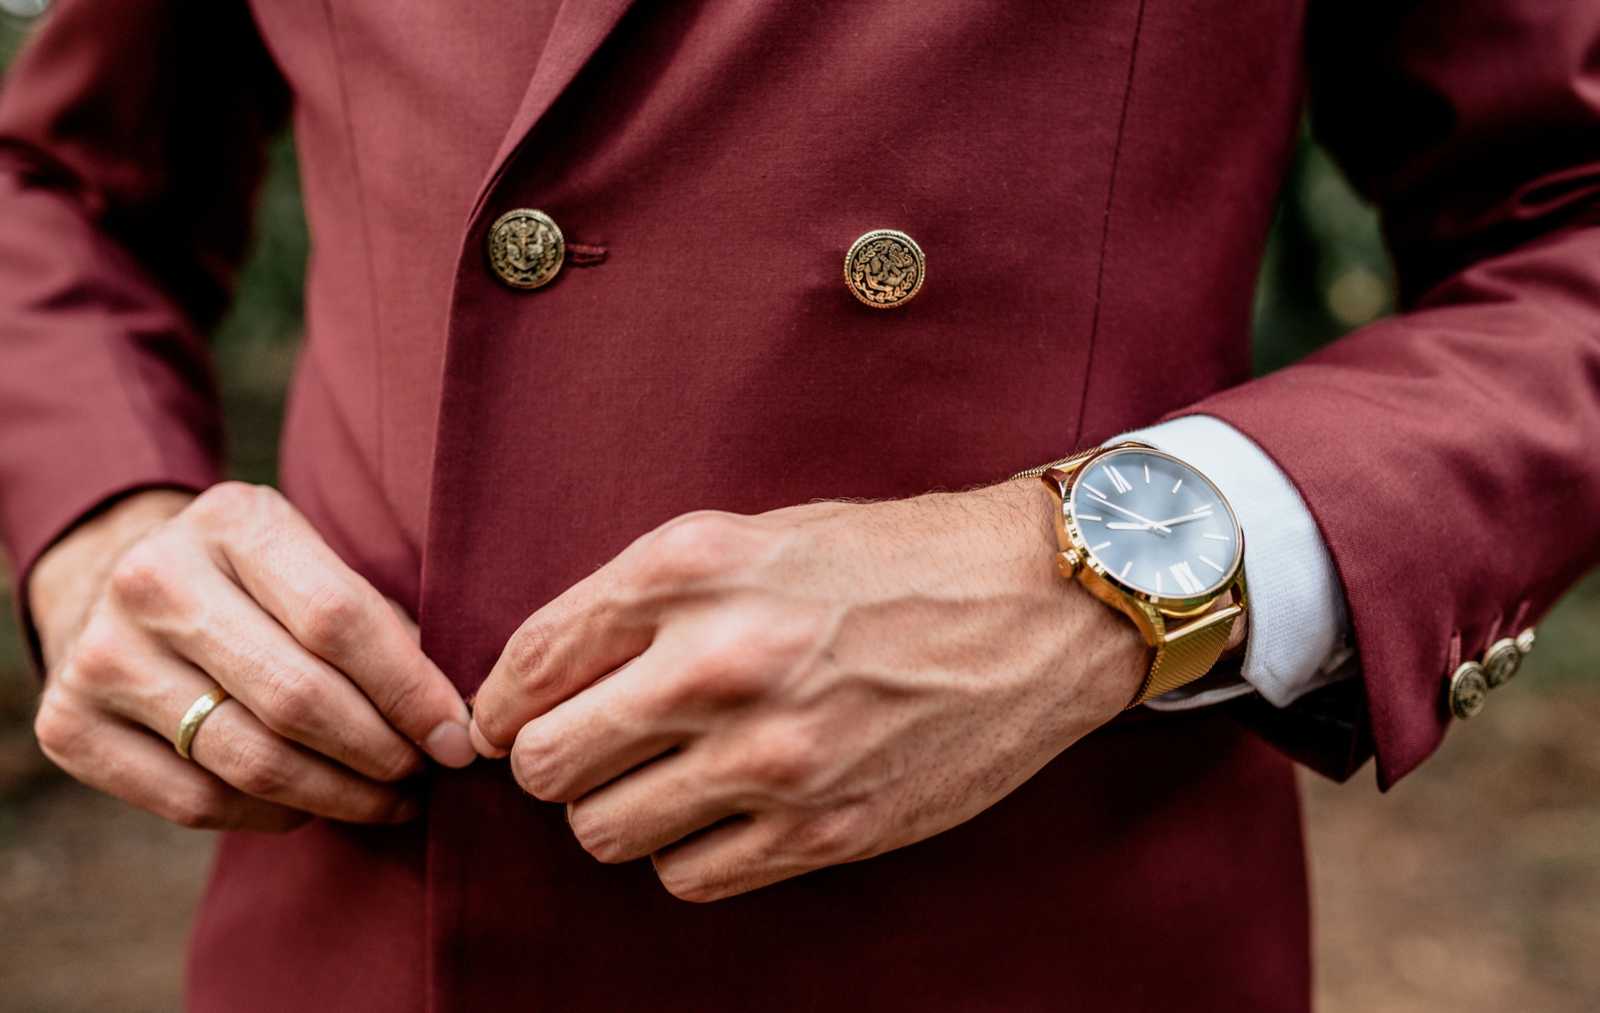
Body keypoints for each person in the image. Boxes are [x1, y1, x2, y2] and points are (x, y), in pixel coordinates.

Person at [1, 1, 1596, 1009]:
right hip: (359, 928)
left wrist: (1096, 576)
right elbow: (65, 192)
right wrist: (100, 530)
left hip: (1023, 941)